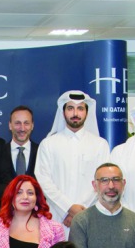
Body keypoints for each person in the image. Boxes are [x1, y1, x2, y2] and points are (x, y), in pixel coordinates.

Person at [34, 90, 111, 226]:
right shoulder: (48, 144)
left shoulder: (100, 145)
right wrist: (68, 208)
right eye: (70, 108)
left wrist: (79, 212)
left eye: (80, 108)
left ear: (87, 112)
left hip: (90, 216)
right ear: (63, 112)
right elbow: (44, 180)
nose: (75, 114)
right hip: (56, 217)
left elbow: (102, 181)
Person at [8, 105, 38, 176]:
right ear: (10, 125)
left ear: (32, 126)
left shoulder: (41, 152)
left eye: (26, 123)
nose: (22, 129)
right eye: (17, 123)